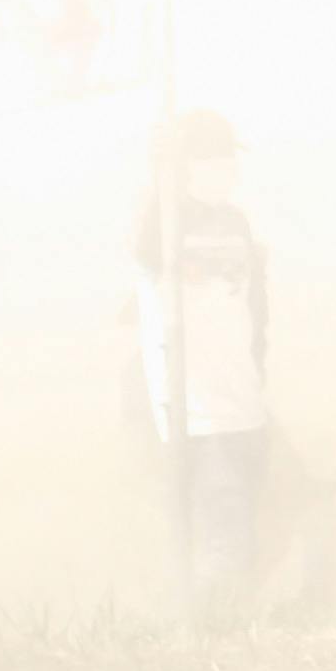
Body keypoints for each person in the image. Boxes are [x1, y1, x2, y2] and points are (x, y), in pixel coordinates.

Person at [134, 112, 270, 626]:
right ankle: (218, 634)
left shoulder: (235, 222)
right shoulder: (164, 221)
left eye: (231, 161)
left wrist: (260, 371)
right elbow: (145, 246)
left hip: (245, 406)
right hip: (198, 410)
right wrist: (159, 176)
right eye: (217, 160)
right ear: (190, 166)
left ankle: (226, 623)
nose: (229, 171)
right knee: (222, 527)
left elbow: (253, 309)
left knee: (242, 522)